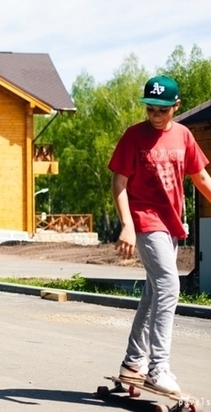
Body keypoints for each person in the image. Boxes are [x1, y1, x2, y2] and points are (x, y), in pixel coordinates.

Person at [108, 75, 211, 394]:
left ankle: (132, 362)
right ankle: (158, 368)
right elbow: (119, 184)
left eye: (162, 110)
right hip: (144, 220)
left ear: (175, 106)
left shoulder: (183, 136)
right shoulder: (133, 137)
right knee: (169, 285)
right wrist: (127, 224)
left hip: (172, 224)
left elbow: (202, 177)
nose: (155, 114)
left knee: (153, 294)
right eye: (150, 108)